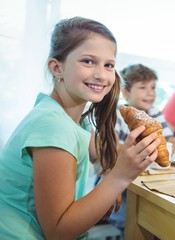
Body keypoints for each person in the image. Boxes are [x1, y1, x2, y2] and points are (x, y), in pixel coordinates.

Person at [0, 17, 160, 239]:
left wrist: (109, 172)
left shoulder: (70, 117)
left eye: (109, 65)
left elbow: (98, 153)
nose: (101, 74)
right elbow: (58, 232)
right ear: (57, 67)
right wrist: (119, 178)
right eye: (88, 61)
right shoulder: (52, 126)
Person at [104, 63, 175, 238]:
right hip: (121, 182)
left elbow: (169, 142)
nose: (150, 92)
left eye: (153, 87)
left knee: (157, 217)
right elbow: (111, 149)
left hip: (148, 180)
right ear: (126, 93)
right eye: (143, 87)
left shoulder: (155, 114)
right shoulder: (117, 115)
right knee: (130, 222)